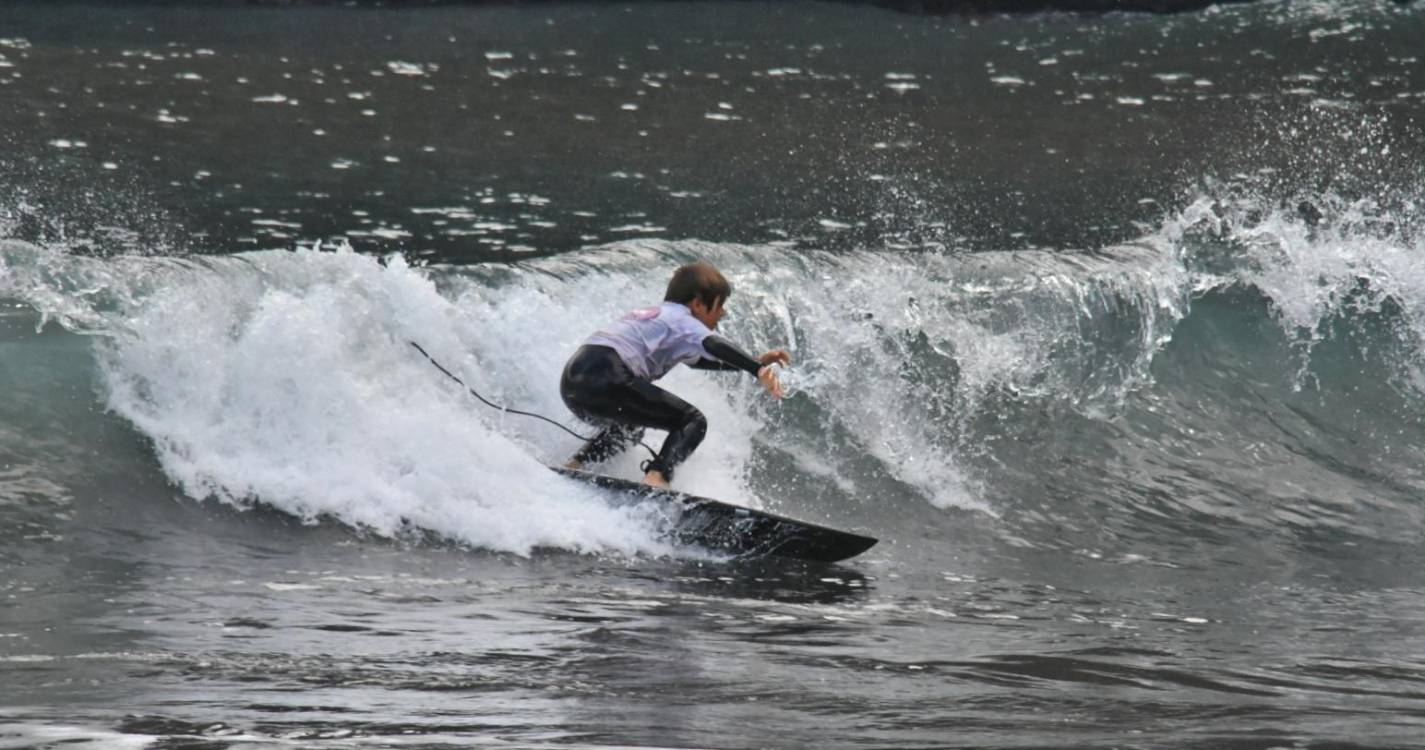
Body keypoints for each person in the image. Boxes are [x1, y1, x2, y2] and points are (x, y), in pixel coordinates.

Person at [560, 261, 790, 488]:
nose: (723, 312)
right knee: (692, 421)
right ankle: (657, 478)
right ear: (698, 304)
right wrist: (757, 370)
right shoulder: (683, 319)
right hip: (608, 374)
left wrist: (754, 361)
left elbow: (699, 360)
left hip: (574, 383)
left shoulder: (660, 317)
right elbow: (713, 344)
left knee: (631, 425)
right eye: (720, 305)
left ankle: (577, 464)